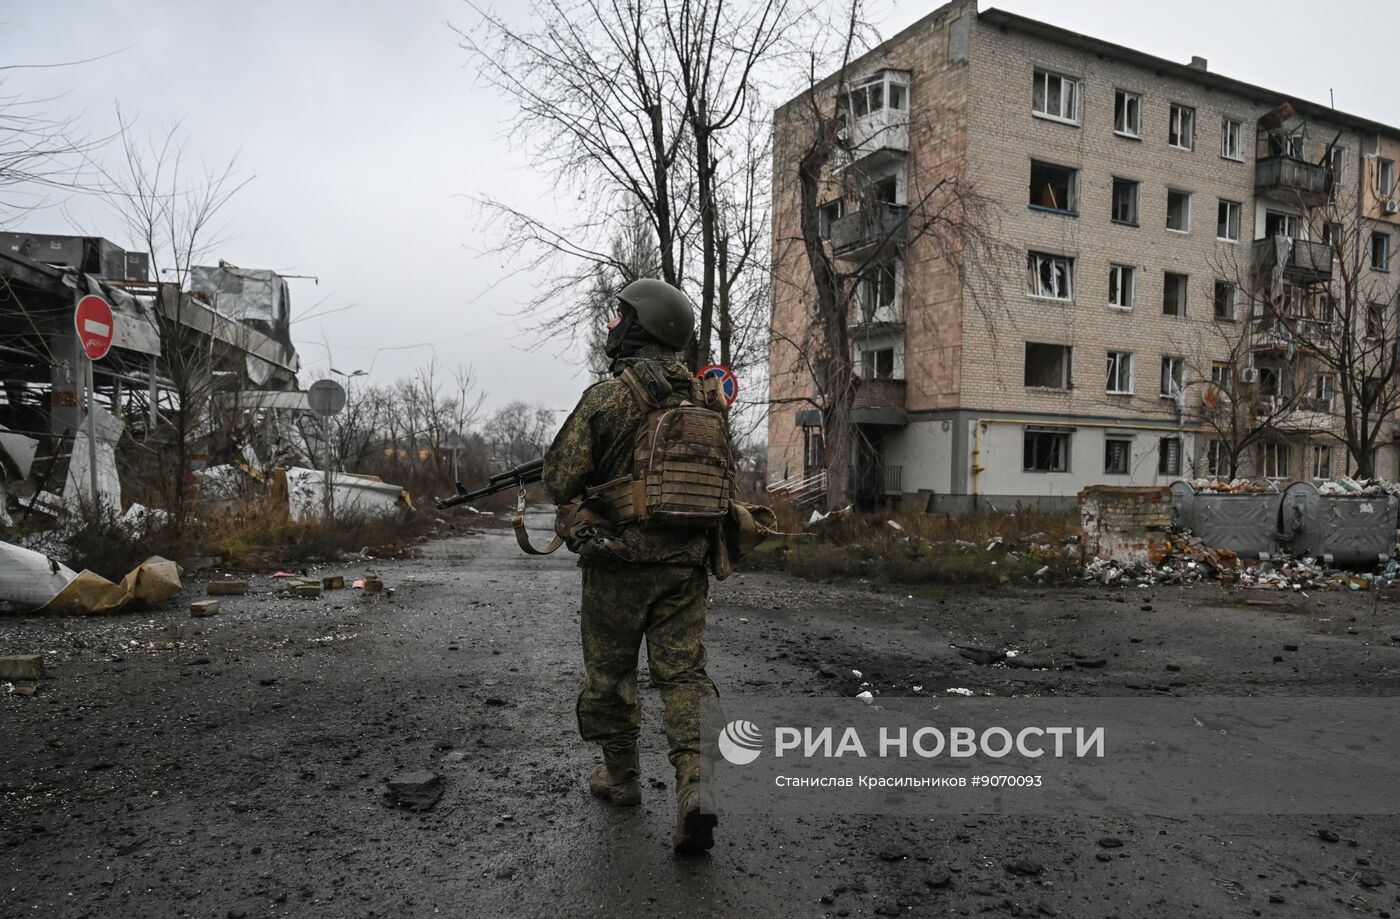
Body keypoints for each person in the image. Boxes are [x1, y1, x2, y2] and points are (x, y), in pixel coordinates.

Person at [542, 278, 723, 855]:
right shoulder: (703, 400)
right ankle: (695, 787)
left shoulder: (609, 397)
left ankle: (620, 780)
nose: (613, 325)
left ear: (642, 326)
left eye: (621, 316)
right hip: (685, 568)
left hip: (619, 565)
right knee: (683, 677)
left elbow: (560, 479)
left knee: (610, 677)